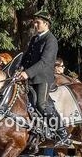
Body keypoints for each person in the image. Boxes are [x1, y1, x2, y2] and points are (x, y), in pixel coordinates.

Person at [17, 11, 65, 141]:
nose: (35, 24)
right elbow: (27, 57)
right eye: (35, 22)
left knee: (41, 104)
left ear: (46, 24)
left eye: (38, 22)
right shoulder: (35, 39)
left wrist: (27, 73)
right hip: (31, 78)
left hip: (43, 78)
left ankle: (62, 133)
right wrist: (18, 68)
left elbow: (44, 62)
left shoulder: (51, 40)